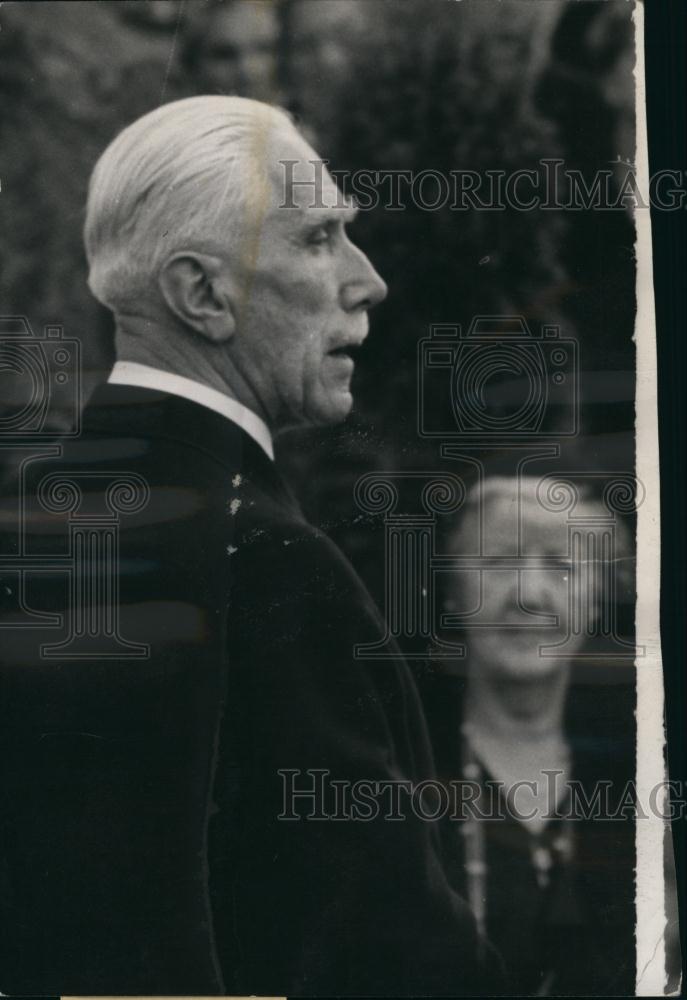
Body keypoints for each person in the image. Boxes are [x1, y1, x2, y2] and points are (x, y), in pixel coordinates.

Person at [0, 96, 499, 996]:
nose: (368, 278)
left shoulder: (33, 527)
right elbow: (387, 952)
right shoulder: (270, 564)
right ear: (201, 294)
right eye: (318, 239)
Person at [421, 475, 636, 995]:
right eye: (497, 562)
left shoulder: (639, 780)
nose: (529, 595)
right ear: (452, 592)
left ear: (596, 604)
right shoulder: (400, 770)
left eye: (562, 568)